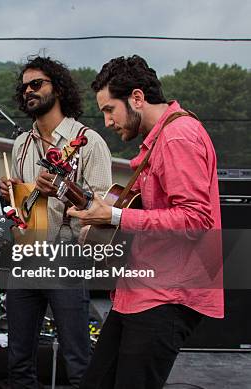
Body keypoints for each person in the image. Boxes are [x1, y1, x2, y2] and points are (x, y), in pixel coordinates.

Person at [68, 55, 223, 389]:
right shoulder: (158, 140)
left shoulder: (178, 136)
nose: (107, 121)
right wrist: (97, 219)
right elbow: (140, 210)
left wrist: (113, 215)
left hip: (167, 294)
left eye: (109, 109)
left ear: (137, 98)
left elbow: (195, 220)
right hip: (139, 290)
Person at [0, 56, 112, 388]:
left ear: (58, 88)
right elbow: (24, 209)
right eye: (24, 87)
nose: (28, 91)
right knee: (18, 361)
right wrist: (12, 194)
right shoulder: (20, 144)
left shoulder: (89, 142)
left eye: (37, 84)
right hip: (25, 255)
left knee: (77, 359)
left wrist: (65, 190)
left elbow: (104, 209)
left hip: (67, 258)